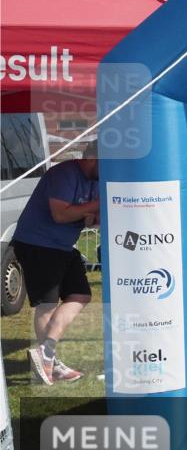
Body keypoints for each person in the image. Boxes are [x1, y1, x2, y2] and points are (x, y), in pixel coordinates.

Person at [12, 141, 100, 385]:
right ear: (93, 159)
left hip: (62, 246)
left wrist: (93, 215)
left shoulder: (95, 180)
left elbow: (88, 217)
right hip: (37, 243)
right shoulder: (64, 173)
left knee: (80, 294)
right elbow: (61, 214)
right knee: (47, 305)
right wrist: (95, 206)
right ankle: (47, 362)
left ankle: (46, 355)